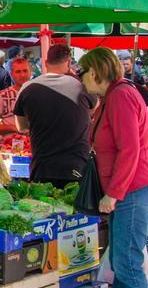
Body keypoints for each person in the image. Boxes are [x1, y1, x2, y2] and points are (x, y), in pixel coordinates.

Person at [77, 48, 148, 288]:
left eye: (83, 72)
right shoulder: (112, 97)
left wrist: (113, 193)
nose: (81, 78)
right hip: (128, 190)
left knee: (127, 263)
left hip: (134, 190)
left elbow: (130, 149)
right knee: (122, 262)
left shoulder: (122, 96)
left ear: (96, 70)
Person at [14, 45, 94, 185]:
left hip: (43, 167)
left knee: (44, 206)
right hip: (77, 165)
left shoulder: (27, 88)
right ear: (69, 63)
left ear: (45, 63)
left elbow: (21, 127)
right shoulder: (82, 86)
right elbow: (94, 112)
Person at [0, 57, 34, 135]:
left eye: (25, 71)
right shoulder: (2, 95)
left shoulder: (39, 93)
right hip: (10, 144)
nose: (22, 75)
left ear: (31, 72)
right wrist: (14, 128)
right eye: (18, 72)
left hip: (37, 143)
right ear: (12, 74)